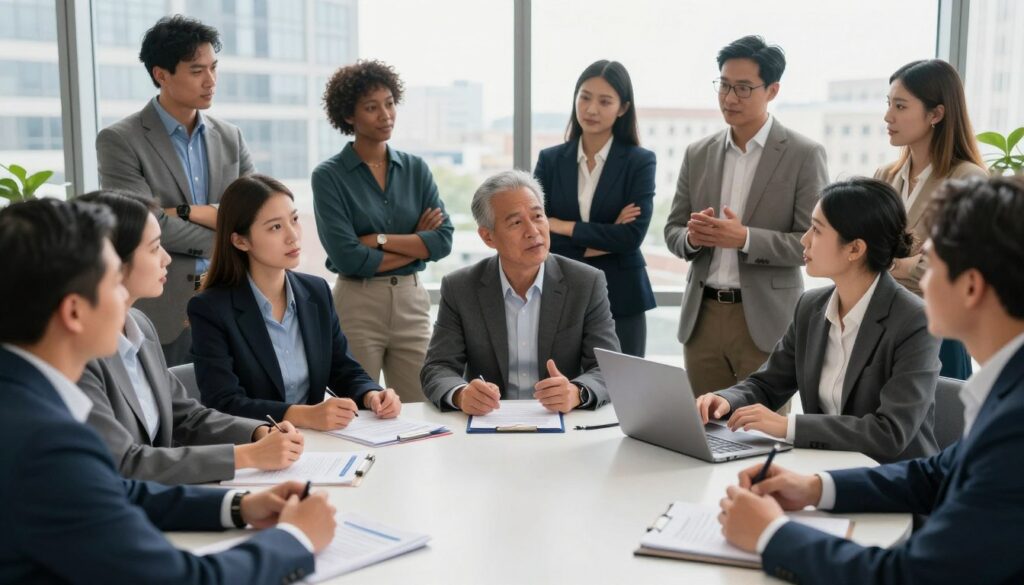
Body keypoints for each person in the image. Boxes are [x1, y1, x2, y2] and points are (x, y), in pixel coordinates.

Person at [0, 197, 336, 584]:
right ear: (74, 312)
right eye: (114, 284)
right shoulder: (46, 443)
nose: (124, 299)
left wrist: (240, 505)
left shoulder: (23, 399)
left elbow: (117, 490)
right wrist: (295, 538)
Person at [716, 177, 1024, 584]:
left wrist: (772, 534)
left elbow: (907, 576)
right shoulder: (1006, 392)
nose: (919, 279)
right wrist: (813, 488)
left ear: (970, 287)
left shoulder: (1014, 424)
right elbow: (934, 474)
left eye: (931, 265)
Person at [695, 178, 940, 463]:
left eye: (817, 229)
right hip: (824, 468)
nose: (804, 239)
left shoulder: (915, 320)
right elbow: (768, 384)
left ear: (855, 249)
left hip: (895, 480)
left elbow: (890, 433)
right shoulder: (811, 306)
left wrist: (790, 427)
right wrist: (725, 400)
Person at [75, 190, 306, 484]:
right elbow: (124, 462)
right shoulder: (79, 353)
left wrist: (258, 432)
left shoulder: (140, 326)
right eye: (155, 247)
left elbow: (186, 416)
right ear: (111, 259)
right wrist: (246, 456)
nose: (167, 258)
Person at [664, 35, 828, 398]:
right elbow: (672, 229)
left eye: (742, 88)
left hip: (766, 323)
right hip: (702, 319)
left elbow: (812, 242)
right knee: (702, 431)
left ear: (772, 90)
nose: (729, 98)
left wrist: (745, 239)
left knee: (759, 434)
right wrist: (692, 238)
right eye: (723, 85)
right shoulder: (698, 153)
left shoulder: (804, 154)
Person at [96, 15, 254, 367]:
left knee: (235, 412)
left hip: (232, 300)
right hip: (164, 310)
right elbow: (145, 226)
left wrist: (181, 212)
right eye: (197, 71)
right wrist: (230, 236)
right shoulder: (120, 140)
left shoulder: (231, 137)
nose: (211, 81)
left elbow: (254, 214)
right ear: (161, 74)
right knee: (170, 415)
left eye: (214, 68)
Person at [189, 175, 400, 429]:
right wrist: (302, 415)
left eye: (294, 219)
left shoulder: (316, 291)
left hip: (316, 444)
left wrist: (371, 394)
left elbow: (343, 368)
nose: (293, 236)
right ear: (240, 241)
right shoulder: (211, 308)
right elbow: (223, 402)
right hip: (257, 448)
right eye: (275, 227)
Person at [420, 170, 620, 414]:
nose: (533, 231)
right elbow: (437, 367)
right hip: (490, 424)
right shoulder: (460, 287)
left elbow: (609, 368)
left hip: (562, 424)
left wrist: (577, 392)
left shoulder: (586, 282)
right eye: (516, 222)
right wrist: (461, 395)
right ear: (488, 236)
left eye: (537, 216)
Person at [312, 60, 453, 403]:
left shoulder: (416, 169)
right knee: (359, 408)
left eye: (389, 103)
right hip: (357, 304)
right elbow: (347, 257)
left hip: (411, 302)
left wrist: (378, 240)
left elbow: (443, 240)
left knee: (423, 406)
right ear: (349, 116)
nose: (385, 114)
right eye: (371, 108)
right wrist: (416, 246)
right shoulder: (328, 177)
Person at [533, 60, 657, 357]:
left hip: (622, 295)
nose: (591, 109)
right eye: (585, 97)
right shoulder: (550, 160)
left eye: (605, 101)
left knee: (623, 392)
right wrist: (604, 237)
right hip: (562, 292)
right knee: (563, 394)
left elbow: (630, 238)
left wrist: (563, 226)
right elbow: (537, 230)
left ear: (623, 108)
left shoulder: (640, 162)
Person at [876, 59, 987, 380]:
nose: (888, 116)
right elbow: (860, 256)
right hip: (881, 330)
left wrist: (887, 264)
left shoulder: (967, 180)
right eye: (888, 104)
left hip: (937, 333)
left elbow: (951, 269)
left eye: (900, 106)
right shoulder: (885, 176)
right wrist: (907, 264)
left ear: (936, 114)